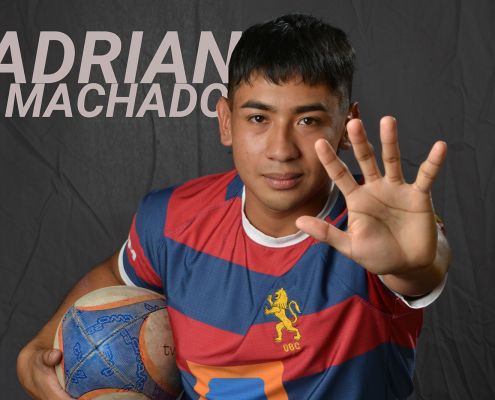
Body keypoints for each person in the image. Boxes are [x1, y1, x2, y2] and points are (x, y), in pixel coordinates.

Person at [17, 13, 451, 400]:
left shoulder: (376, 227)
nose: (281, 149)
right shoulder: (171, 218)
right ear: (226, 121)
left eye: (308, 120)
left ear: (346, 126)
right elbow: (115, 276)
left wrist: (412, 265)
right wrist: (36, 349)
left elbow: (418, 267)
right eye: (258, 118)